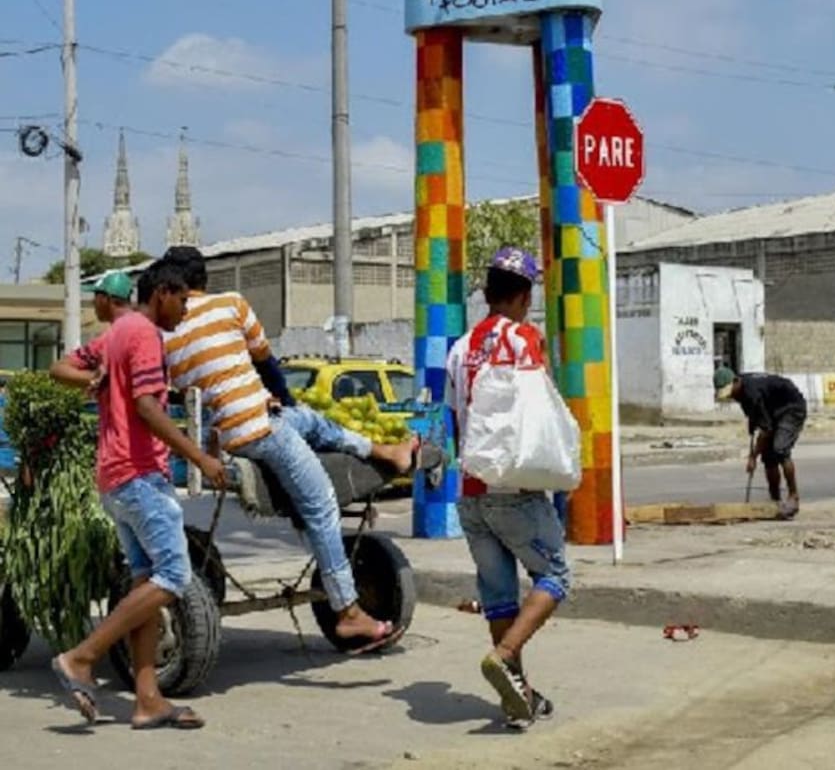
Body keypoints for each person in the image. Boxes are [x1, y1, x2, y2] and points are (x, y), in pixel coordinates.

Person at [158, 245, 430, 651]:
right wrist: (280, 400)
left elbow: (183, 393)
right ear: (204, 281)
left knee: (309, 421)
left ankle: (381, 450)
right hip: (257, 429)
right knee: (320, 505)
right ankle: (347, 612)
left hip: (228, 430)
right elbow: (267, 365)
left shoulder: (165, 333)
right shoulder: (230, 304)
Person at [47, 261, 227, 729]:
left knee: (146, 581)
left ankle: (147, 699)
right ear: (163, 292)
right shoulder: (144, 333)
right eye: (184, 300)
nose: (185, 310)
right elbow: (148, 406)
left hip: (114, 477)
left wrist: (94, 381)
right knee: (173, 576)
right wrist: (201, 459)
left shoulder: (117, 333)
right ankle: (82, 657)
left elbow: (58, 367)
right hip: (140, 475)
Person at [445, 246, 571, 729]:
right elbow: (536, 410)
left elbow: (457, 416)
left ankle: (519, 699)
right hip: (514, 489)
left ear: (487, 293)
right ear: (523, 295)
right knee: (556, 575)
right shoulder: (523, 338)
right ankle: (505, 654)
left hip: (471, 492)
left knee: (499, 596)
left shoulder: (459, 347)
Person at [714, 367, 806, 519]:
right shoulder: (740, 390)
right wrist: (753, 428)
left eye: (730, 391)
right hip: (772, 410)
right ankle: (775, 501)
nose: (731, 396)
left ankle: (793, 497)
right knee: (768, 457)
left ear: (736, 381)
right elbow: (755, 416)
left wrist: (752, 456)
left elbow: (766, 431)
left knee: (780, 450)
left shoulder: (751, 392)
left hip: (791, 408)